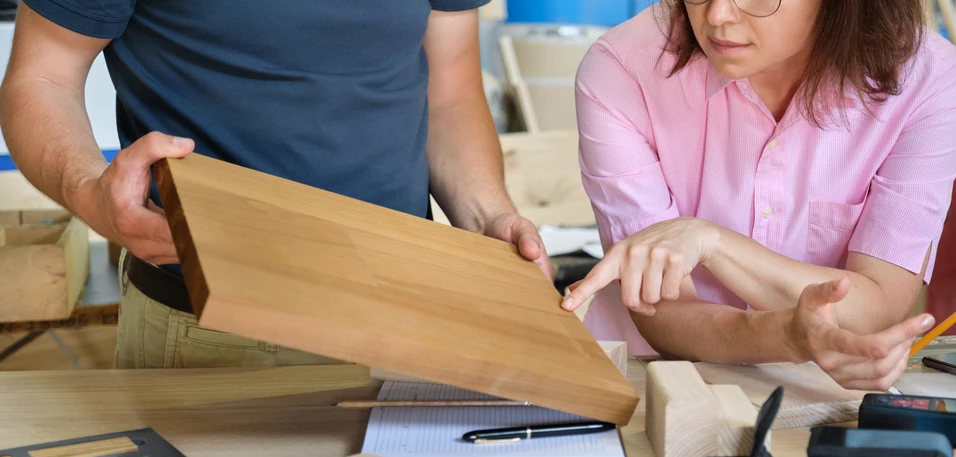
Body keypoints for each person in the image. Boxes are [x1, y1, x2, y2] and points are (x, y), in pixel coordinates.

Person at [0, 1, 551, 369]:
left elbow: (450, 90)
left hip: (406, 311)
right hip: (209, 327)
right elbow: (41, 77)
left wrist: (487, 217)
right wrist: (88, 191)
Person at [562, 0, 956, 391]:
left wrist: (712, 243)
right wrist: (785, 335)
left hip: (821, 392)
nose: (717, 15)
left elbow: (875, 307)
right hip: (652, 383)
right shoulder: (622, 68)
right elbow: (658, 307)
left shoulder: (926, 79)